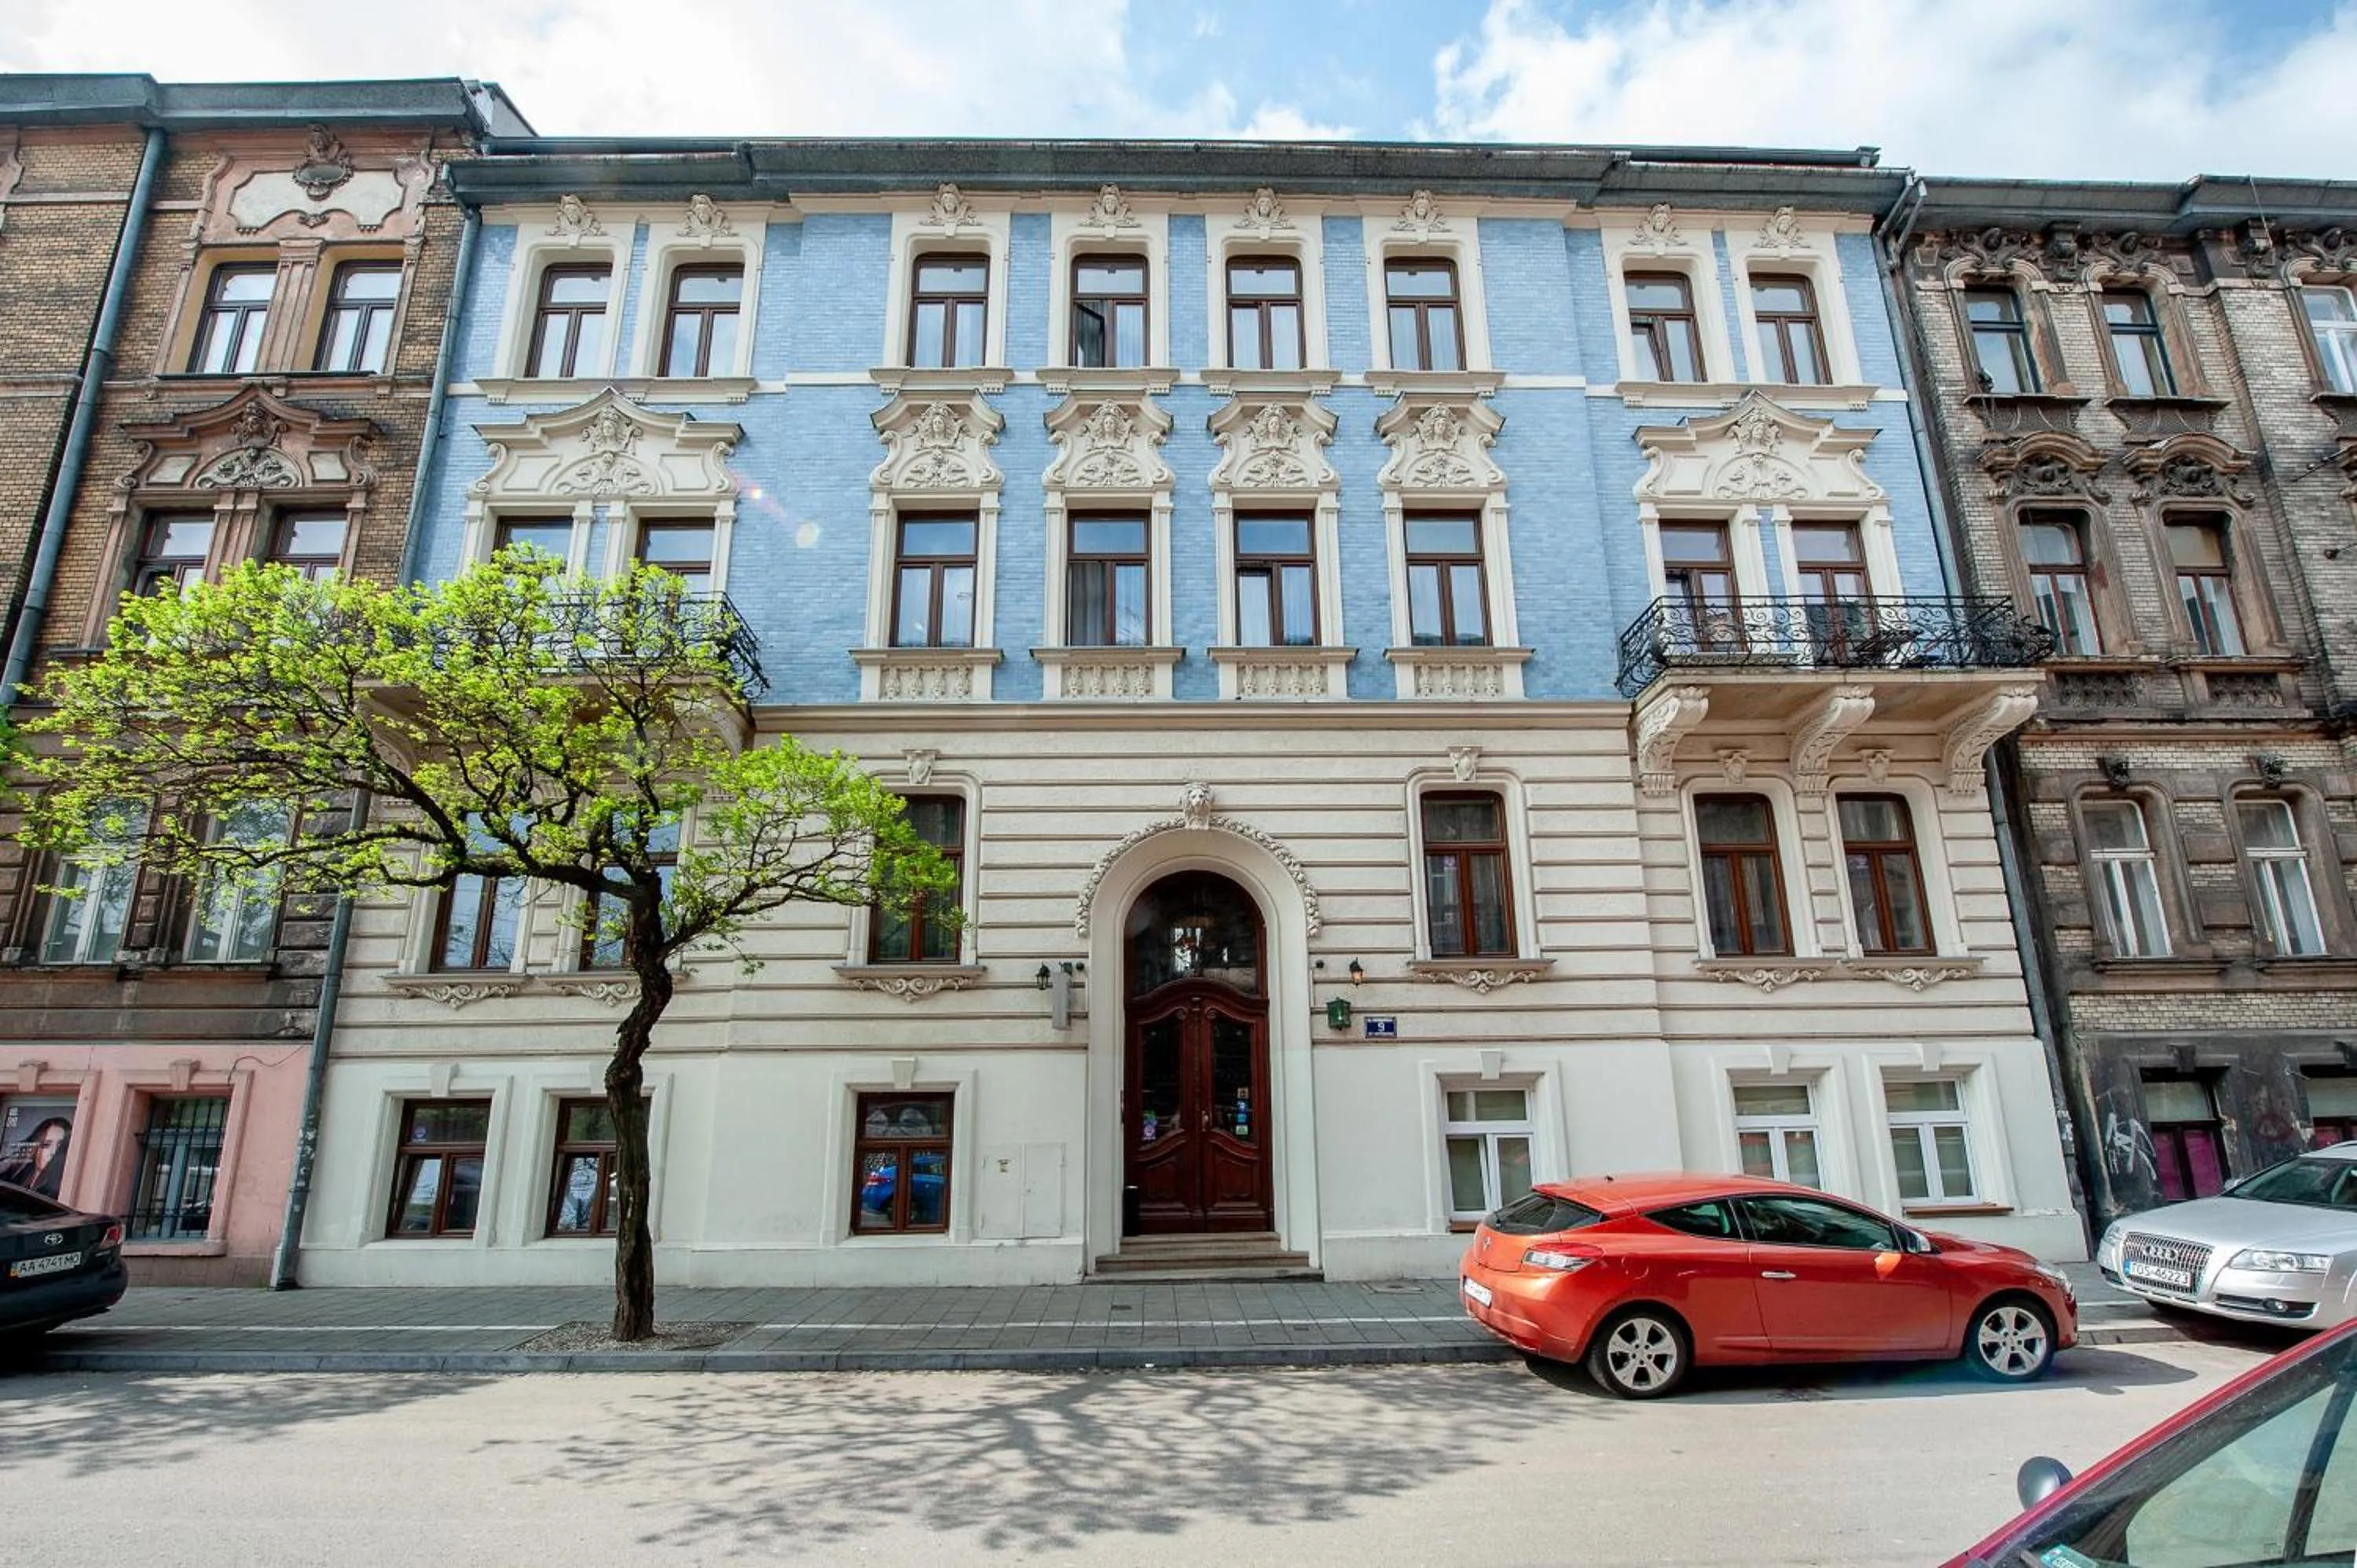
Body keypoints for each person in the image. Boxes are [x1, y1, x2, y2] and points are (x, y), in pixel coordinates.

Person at [0, 1117, 71, 1200]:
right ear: (36, 1149)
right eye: (46, 1145)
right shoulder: (13, 1178)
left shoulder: (60, 1188)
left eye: (60, 1146)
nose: (53, 1152)